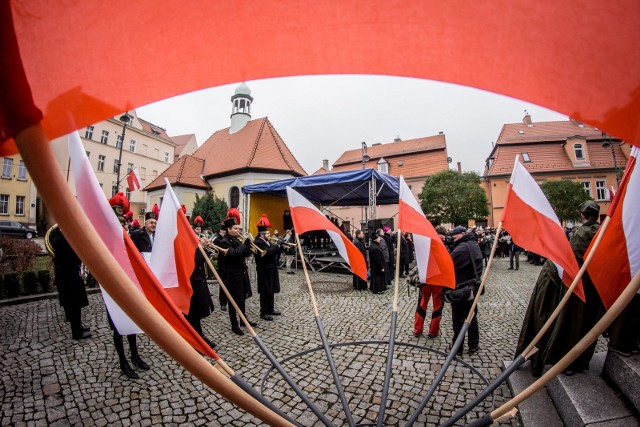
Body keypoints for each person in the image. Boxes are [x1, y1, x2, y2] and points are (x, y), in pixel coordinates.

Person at [515, 200, 603, 376]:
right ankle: (579, 359)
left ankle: (567, 360)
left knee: (570, 324)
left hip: (577, 287)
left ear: (582, 215)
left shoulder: (582, 234)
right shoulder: (602, 231)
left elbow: (570, 261)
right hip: (595, 287)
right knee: (586, 324)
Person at [109, 194, 150, 379]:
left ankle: (134, 355)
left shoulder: (128, 237)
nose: (122, 224)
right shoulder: (105, 238)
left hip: (129, 285)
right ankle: (123, 361)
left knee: (132, 322)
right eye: (118, 221)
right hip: (113, 289)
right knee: (118, 326)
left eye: (122, 221)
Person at [217, 210, 256, 335]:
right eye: (235, 228)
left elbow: (244, 254)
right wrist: (244, 245)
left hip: (241, 272)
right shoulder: (224, 241)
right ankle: (234, 324)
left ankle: (243, 320)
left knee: (241, 298)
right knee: (233, 300)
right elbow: (234, 254)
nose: (238, 230)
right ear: (228, 229)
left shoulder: (237, 239)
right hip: (232, 275)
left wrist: (250, 247)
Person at [48, 225, 91, 340]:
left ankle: (79, 326)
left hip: (70, 274)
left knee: (76, 304)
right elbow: (74, 254)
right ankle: (77, 332)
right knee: (74, 304)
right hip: (69, 275)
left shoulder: (60, 236)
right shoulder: (63, 238)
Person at [448, 225, 483, 355]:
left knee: (458, 319)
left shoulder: (462, 248)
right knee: (472, 316)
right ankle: (473, 345)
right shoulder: (473, 244)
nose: (452, 239)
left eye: (454, 236)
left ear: (462, 234)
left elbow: (449, 263)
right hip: (473, 287)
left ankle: (457, 348)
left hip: (462, 288)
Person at [253, 214, 285, 321]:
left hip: (271, 269)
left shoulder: (267, 241)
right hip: (263, 270)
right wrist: (278, 246)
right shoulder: (257, 242)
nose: (269, 234)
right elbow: (267, 253)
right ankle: (264, 312)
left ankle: (270, 309)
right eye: (267, 233)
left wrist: (282, 247)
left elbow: (274, 251)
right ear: (262, 234)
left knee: (271, 290)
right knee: (265, 291)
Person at [187, 234, 216, 349]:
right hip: (191, 282)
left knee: (196, 313)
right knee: (192, 313)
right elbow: (193, 263)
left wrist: (207, 250)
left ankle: (199, 335)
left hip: (198, 280)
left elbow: (200, 260)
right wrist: (202, 248)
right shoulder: (183, 243)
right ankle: (195, 340)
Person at [410, 265, 443, 339]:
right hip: (438, 281)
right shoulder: (442, 254)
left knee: (422, 304)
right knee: (437, 306)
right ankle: (433, 331)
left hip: (426, 280)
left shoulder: (426, 254)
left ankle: (417, 329)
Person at [212, 223, 228, 311]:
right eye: (222, 232)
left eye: (224, 232)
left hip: (230, 263)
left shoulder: (228, 238)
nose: (223, 233)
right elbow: (215, 249)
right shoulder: (217, 239)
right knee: (223, 284)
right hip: (222, 264)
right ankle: (223, 302)